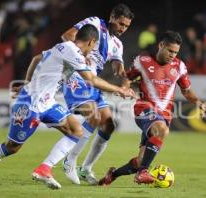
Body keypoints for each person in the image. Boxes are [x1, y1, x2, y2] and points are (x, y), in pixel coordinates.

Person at [0, 24, 135, 189]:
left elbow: (37, 59)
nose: (92, 51)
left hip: (48, 104)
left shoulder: (63, 47)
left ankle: (44, 169)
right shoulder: (72, 51)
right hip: (30, 104)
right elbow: (91, 79)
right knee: (12, 147)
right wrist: (119, 89)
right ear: (91, 42)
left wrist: (27, 81)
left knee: (76, 130)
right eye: (93, 47)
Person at [32, 3, 134, 186]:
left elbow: (118, 68)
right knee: (93, 116)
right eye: (120, 24)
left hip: (92, 81)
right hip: (77, 76)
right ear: (112, 17)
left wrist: (124, 78)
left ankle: (85, 168)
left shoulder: (117, 44)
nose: (122, 29)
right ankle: (69, 161)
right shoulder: (95, 23)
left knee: (108, 124)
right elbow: (67, 35)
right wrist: (79, 55)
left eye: (126, 26)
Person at [98, 31, 206, 186]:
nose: (172, 55)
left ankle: (113, 174)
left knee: (142, 159)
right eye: (170, 51)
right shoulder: (143, 60)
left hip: (164, 115)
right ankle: (143, 173)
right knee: (162, 130)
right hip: (144, 107)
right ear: (161, 45)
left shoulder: (179, 66)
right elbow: (128, 78)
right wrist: (125, 88)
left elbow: (186, 90)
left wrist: (198, 102)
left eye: (175, 52)